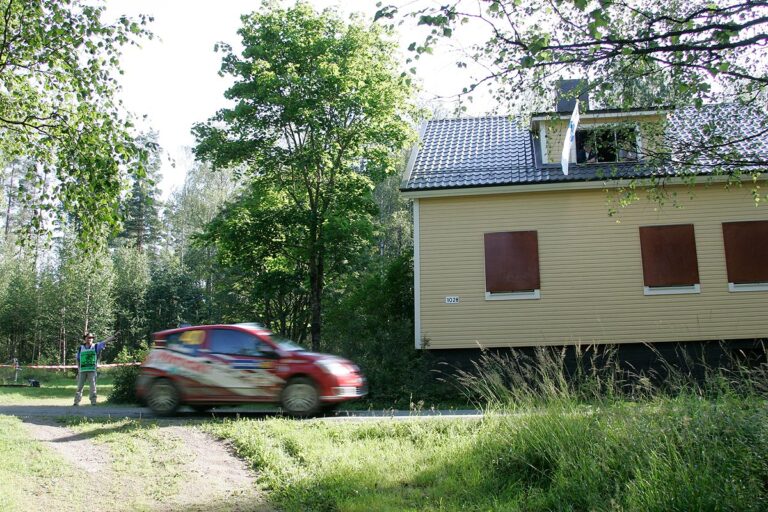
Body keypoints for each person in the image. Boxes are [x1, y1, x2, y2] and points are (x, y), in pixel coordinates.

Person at [73, 332, 114, 406]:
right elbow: (77, 359)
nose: (90, 339)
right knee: (79, 387)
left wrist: (114, 336)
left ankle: (93, 402)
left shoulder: (96, 346)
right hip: (82, 371)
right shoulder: (80, 348)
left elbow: (105, 341)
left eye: (92, 338)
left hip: (92, 370)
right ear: (85, 338)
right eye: (89, 337)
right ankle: (76, 402)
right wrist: (79, 370)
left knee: (93, 387)